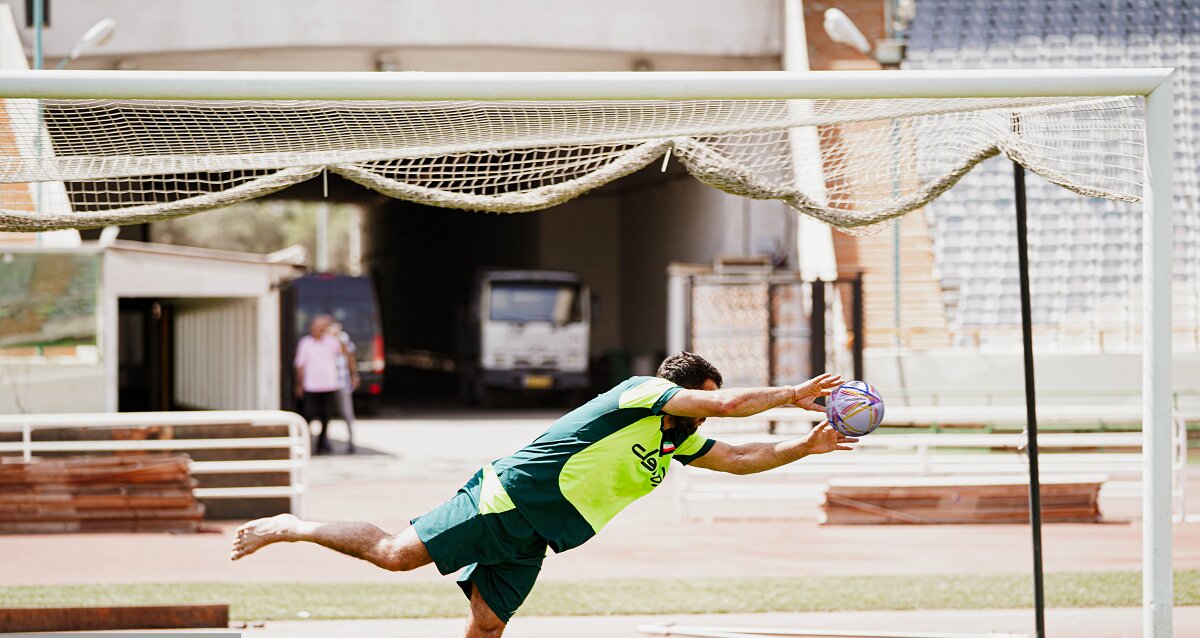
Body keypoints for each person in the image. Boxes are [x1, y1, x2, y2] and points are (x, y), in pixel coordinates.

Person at [233, 352, 855, 637]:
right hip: (505, 499)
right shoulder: (638, 395)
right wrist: (791, 392)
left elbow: (741, 458)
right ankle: (294, 524)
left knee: (488, 624)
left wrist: (806, 445)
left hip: (537, 535)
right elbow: (726, 405)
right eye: (703, 399)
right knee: (396, 554)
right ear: (681, 391)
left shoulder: (678, 438)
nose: (708, 415)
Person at [293, 314, 343, 454]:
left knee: (326, 415)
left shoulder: (332, 341)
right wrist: (299, 384)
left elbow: (344, 353)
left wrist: (337, 336)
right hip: (311, 385)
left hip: (329, 384)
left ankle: (322, 442)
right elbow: (300, 365)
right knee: (308, 414)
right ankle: (305, 441)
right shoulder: (305, 343)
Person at [329, 322, 361, 453]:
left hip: (342, 381)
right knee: (326, 413)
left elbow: (349, 356)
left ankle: (351, 441)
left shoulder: (342, 338)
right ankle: (325, 441)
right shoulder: (321, 339)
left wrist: (354, 374)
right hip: (325, 383)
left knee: (347, 413)